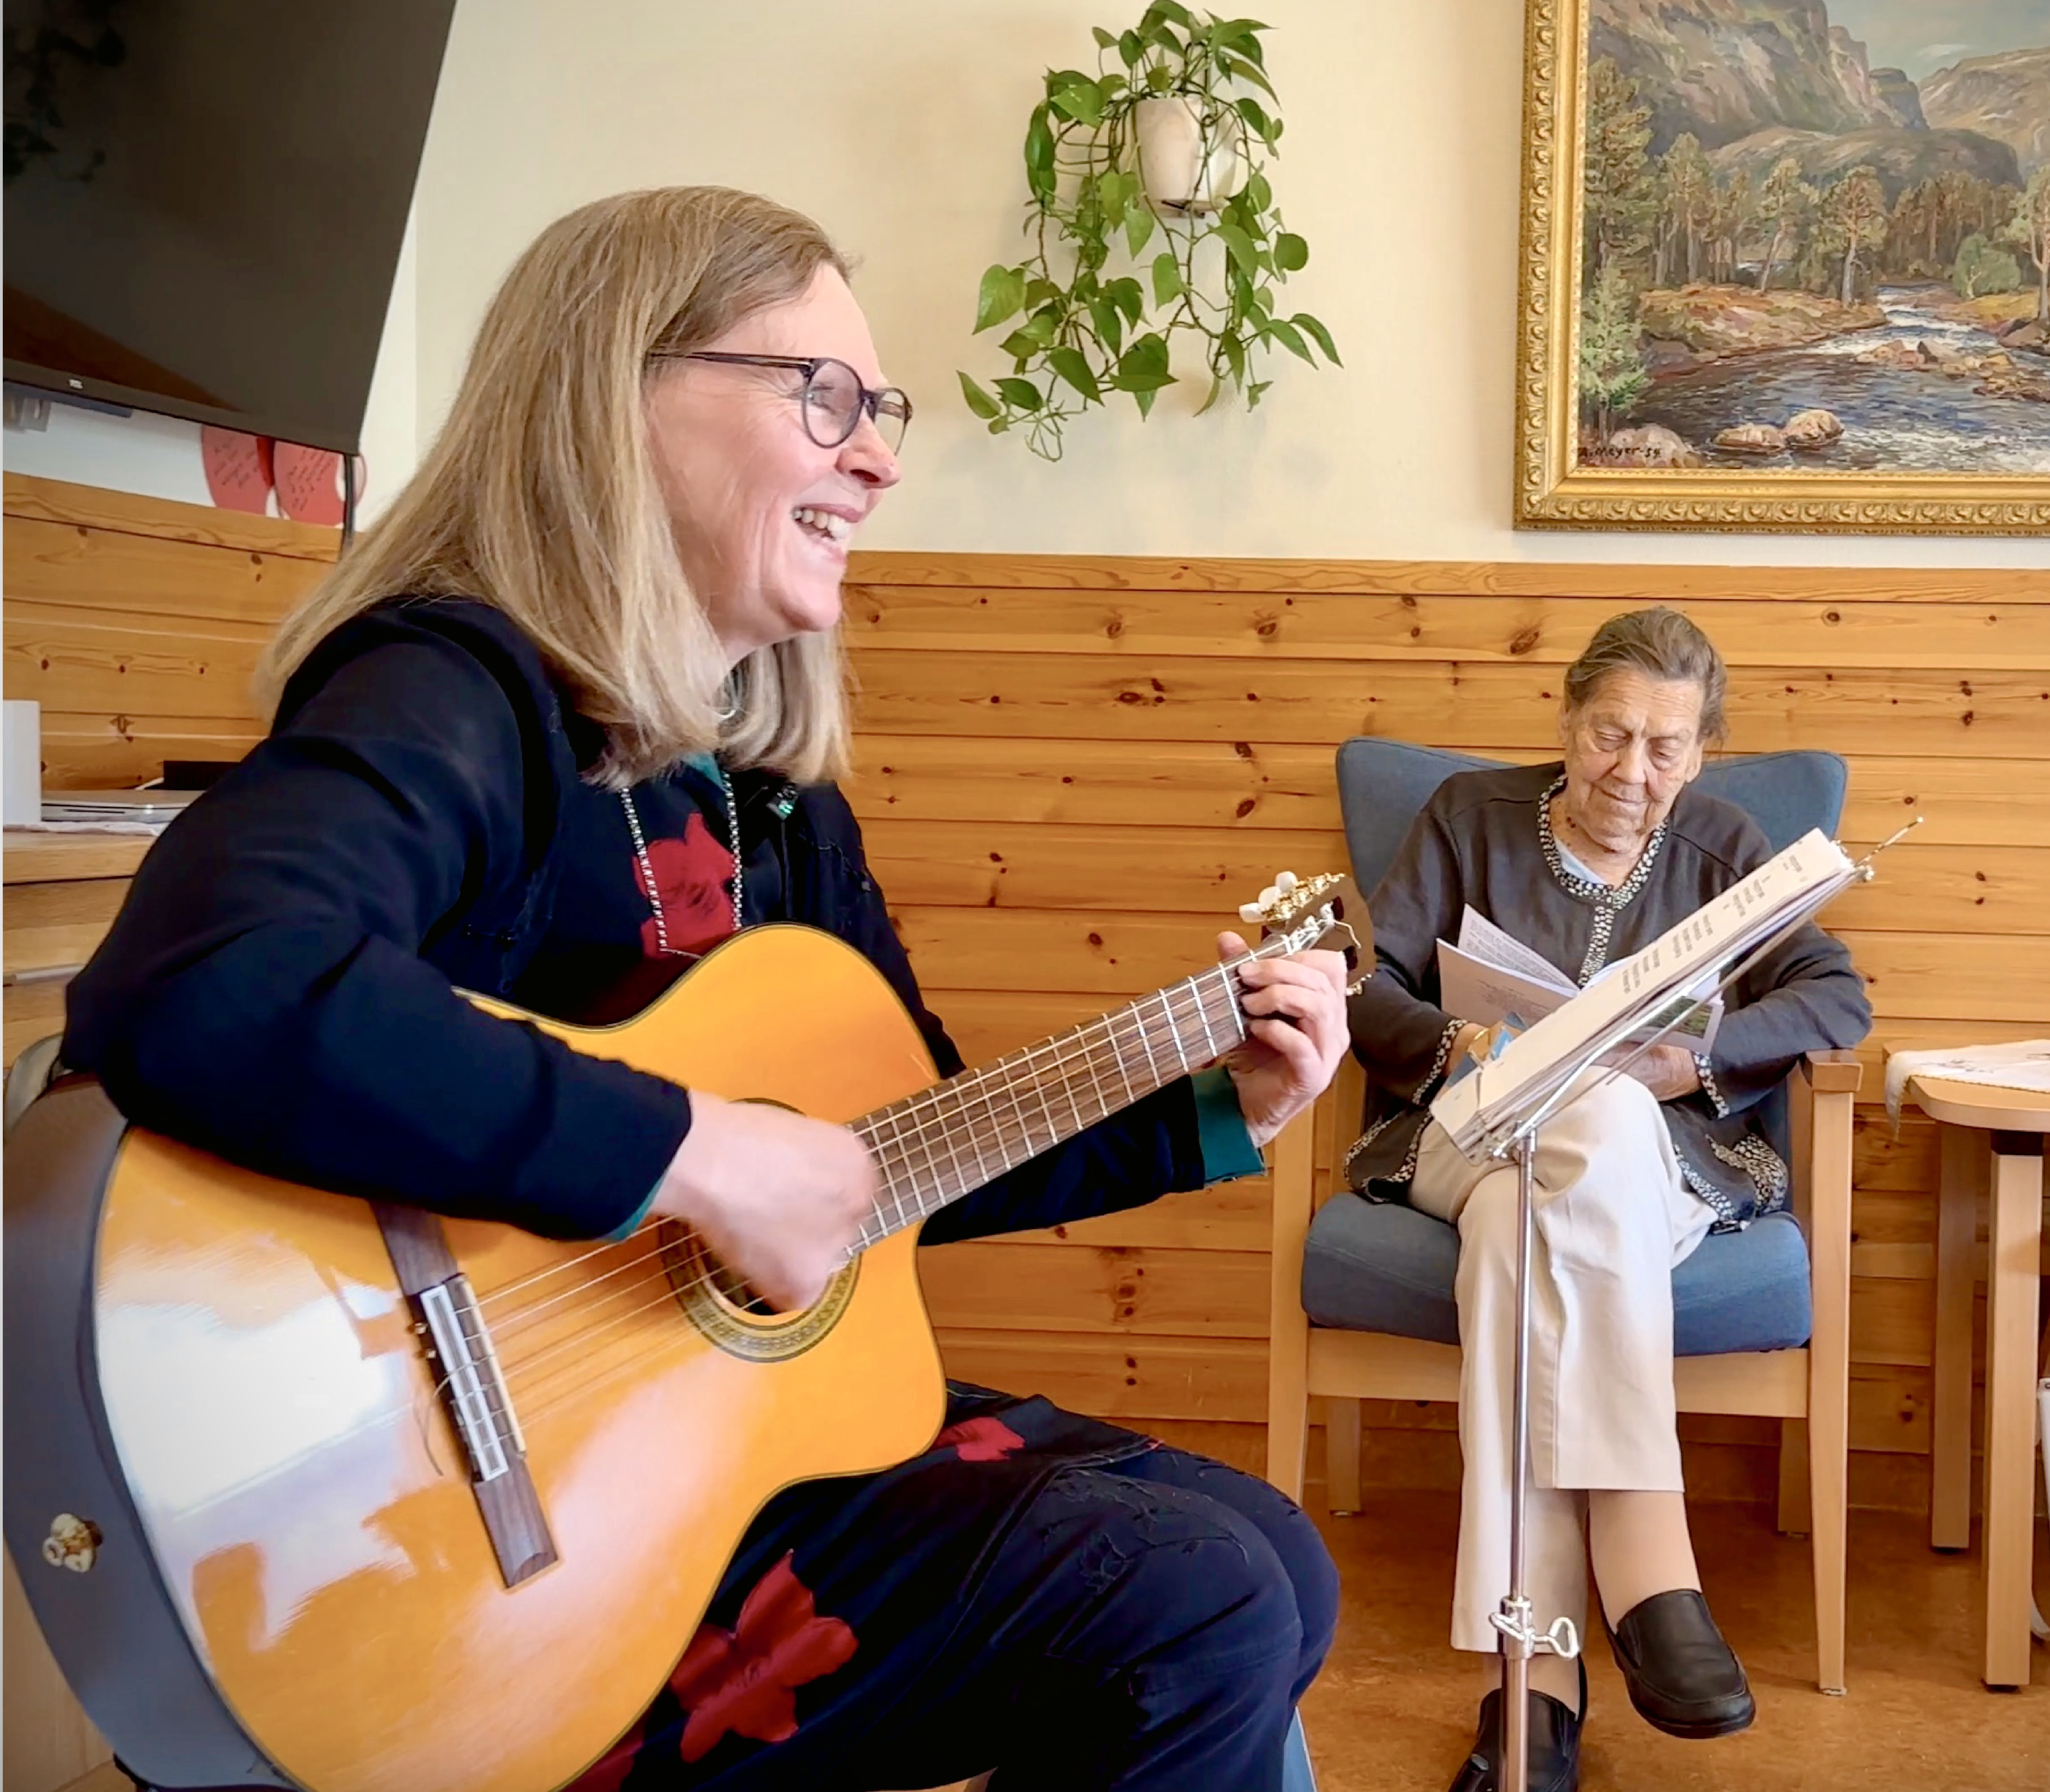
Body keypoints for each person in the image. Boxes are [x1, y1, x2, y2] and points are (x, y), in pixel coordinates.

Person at [64, 186, 1349, 1792]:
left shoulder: (779, 801)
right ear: (619, 393)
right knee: (1201, 1600)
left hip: (694, 1466)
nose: (878, 455)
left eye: (878, 410)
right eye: (824, 395)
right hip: (470, 1541)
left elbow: (889, 1167)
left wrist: (1209, 1107)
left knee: (1277, 1561)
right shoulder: (459, 691)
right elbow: (202, 979)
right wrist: (697, 1149)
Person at [1344, 608, 1871, 1792]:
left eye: (1667, 749)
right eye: (1609, 735)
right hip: (1469, 1131)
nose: (1633, 775)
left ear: (1702, 752)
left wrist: (1694, 1057)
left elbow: (1838, 998)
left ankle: (1532, 1687)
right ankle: (1651, 1564)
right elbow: (1366, 984)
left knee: (1563, 1176)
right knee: (1555, 1148)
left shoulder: (1730, 850)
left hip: (1650, 1169)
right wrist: (1461, 1036)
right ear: (1567, 719)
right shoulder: (1469, 817)